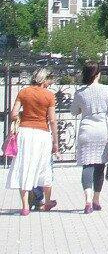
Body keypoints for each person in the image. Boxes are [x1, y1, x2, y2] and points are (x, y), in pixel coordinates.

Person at [5, 68, 59, 216]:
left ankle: (25, 207)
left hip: (25, 133)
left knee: (24, 166)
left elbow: (14, 114)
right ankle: (47, 202)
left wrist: (24, 115)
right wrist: (55, 141)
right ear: (44, 80)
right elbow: (52, 120)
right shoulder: (49, 96)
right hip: (42, 134)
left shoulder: (23, 92)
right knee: (44, 166)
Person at [70, 62, 108, 214]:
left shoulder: (80, 92)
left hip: (86, 130)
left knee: (87, 165)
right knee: (100, 166)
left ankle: (88, 200)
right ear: (98, 74)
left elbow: (73, 112)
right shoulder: (107, 90)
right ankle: (97, 199)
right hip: (103, 130)